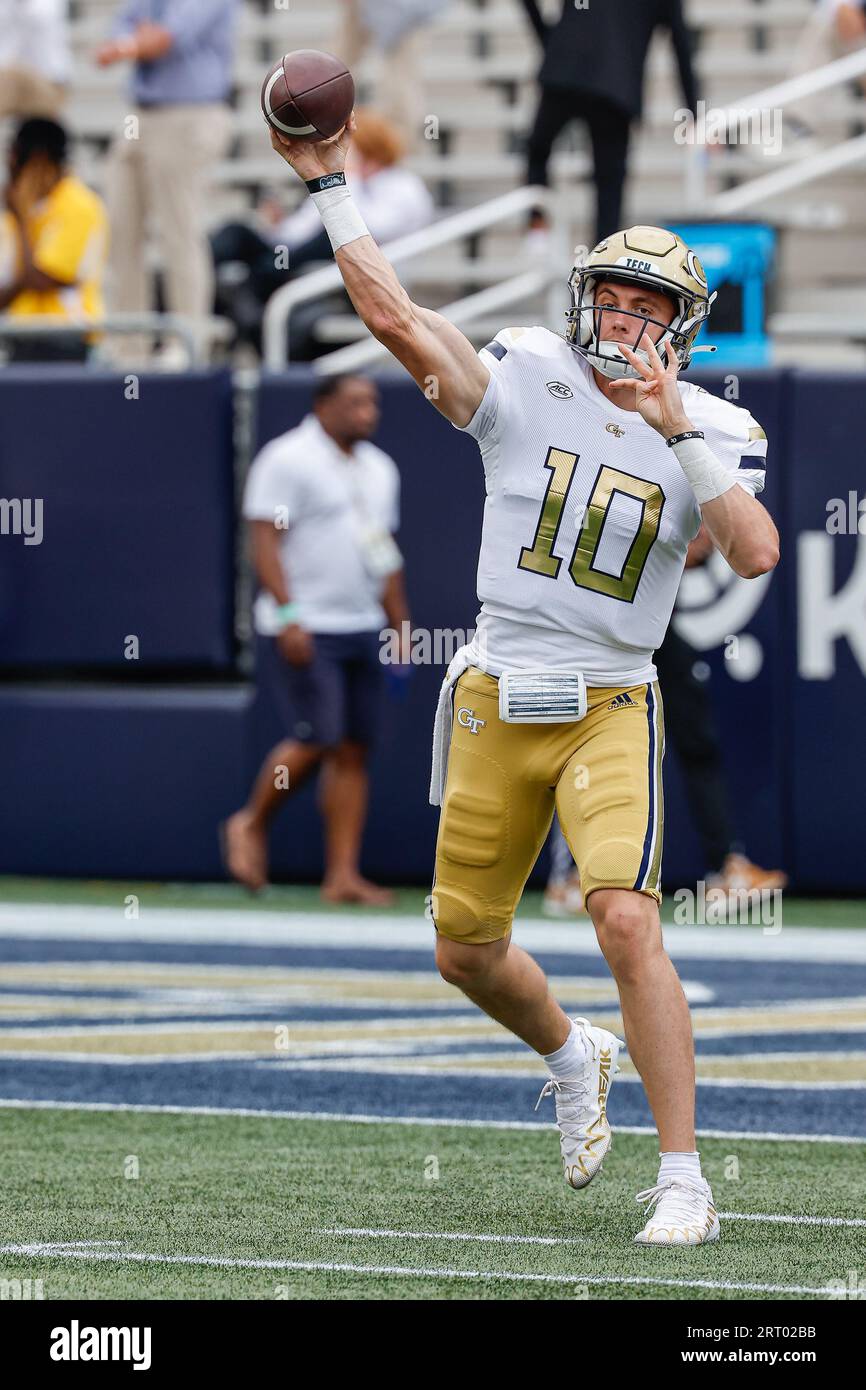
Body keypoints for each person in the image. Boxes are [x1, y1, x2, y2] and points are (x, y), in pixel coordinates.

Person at [266, 106, 781, 1245]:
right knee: (462, 946)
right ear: (583, 300)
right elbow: (395, 318)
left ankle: (684, 1177)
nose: (625, 321)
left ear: (682, 331)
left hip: (608, 694)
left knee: (621, 917)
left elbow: (754, 550)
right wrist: (329, 184)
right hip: (499, 686)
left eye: (649, 309)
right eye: (614, 298)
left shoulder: (708, 423)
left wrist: (672, 432)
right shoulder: (528, 370)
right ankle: (569, 1049)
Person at [223, 374, 410, 907]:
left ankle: (342, 875)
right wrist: (288, 614)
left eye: (372, 402)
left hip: (361, 623)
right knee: (316, 737)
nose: (367, 412)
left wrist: (400, 622)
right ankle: (252, 821)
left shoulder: (379, 468)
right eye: (355, 403)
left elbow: (384, 550)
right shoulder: (287, 459)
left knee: (354, 750)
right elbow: (265, 540)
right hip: (309, 625)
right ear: (323, 406)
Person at [544, 525, 787, 917]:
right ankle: (568, 877)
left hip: (650, 634)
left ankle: (727, 867)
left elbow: (704, 549)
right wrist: (678, 546)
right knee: (587, 749)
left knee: (696, 740)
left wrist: (691, 543)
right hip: (602, 637)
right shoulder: (609, 492)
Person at [212, 109, 435, 357]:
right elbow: (299, 231)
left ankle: (252, 291)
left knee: (326, 237)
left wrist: (346, 175)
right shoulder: (340, 182)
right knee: (236, 234)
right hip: (318, 260)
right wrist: (276, 225)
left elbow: (361, 229)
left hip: (363, 271)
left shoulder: (404, 185)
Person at [95, 0, 239, 362]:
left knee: (178, 231)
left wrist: (133, 43)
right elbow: (120, 30)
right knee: (121, 231)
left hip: (190, 113)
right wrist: (134, 41)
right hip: (141, 114)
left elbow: (164, 38)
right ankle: (129, 344)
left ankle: (188, 341)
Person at [519, 0, 698, 246]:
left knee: (539, 150)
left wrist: (548, 40)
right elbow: (681, 43)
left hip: (567, 71)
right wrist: (694, 114)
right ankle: (599, 269)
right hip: (616, 86)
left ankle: (537, 228)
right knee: (609, 188)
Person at [0, 118, 108, 362]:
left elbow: (41, 278)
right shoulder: (20, 212)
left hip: (66, 339)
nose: (11, 168)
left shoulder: (79, 205)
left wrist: (20, 222)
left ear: (39, 159)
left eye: (16, 158)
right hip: (20, 336)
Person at [334, 0, 451, 149]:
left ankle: (396, 147)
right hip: (379, 8)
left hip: (407, 13)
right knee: (336, 65)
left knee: (399, 86)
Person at [0, 0, 71, 120]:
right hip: (8, 82)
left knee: (12, 73)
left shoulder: (47, 5)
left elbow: (36, 16)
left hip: (50, 84)